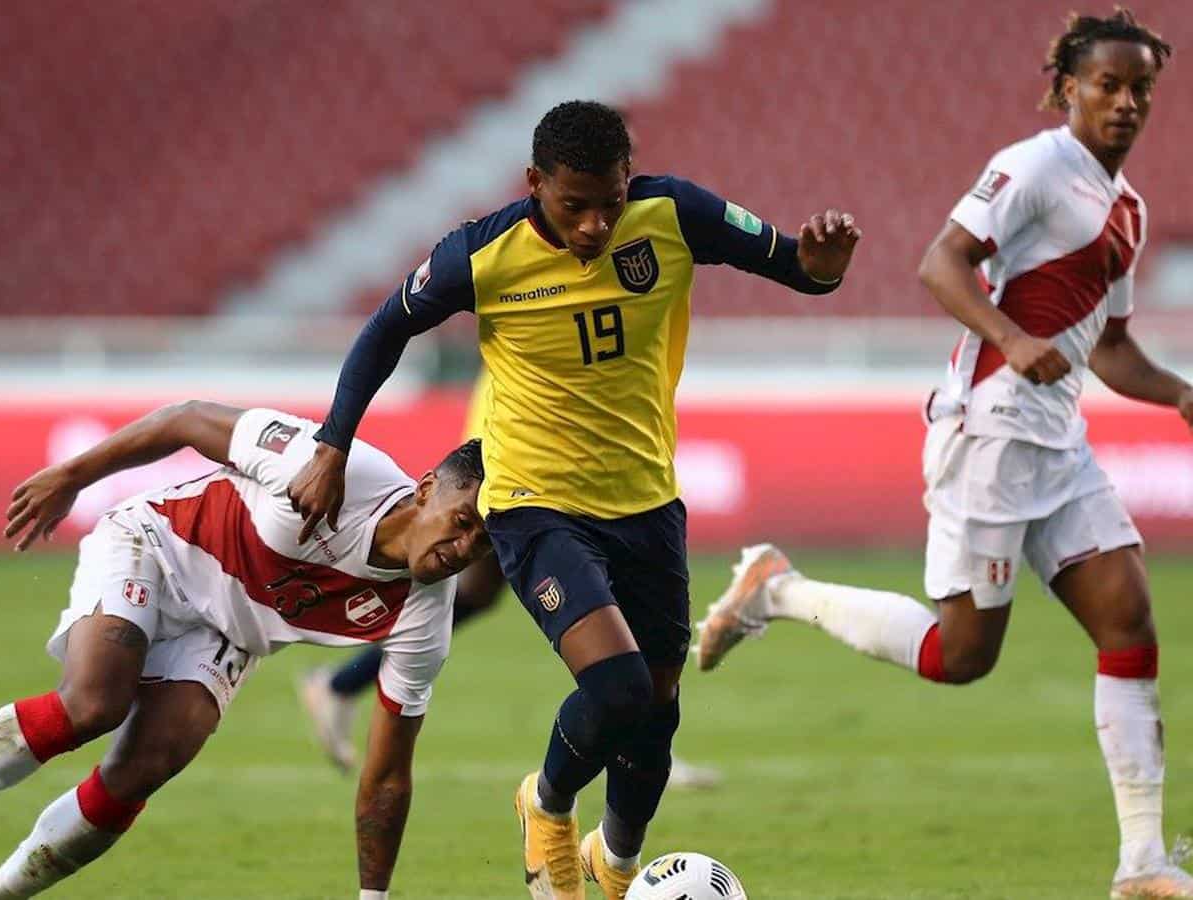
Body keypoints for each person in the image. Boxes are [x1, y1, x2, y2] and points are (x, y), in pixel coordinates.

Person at [286, 99, 860, 899]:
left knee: (655, 717)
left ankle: (615, 867)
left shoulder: (674, 214)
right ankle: (546, 803)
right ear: (535, 184)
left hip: (646, 499)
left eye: (610, 202)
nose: (595, 225)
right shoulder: (481, 256)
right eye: (574, 204)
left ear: (632, 180)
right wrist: (331, 445)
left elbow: (798, 266)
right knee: (618, 687)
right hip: (533, 501)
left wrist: (823, 263)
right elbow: (385, 328)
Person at [696, 10, 1191, 899]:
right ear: (1068, 88)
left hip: (1057, 440)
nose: (1124, 103)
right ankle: (776, 588)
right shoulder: (1035, 167)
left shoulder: (1129, 211)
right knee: (962, 656)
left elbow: (1109, 346)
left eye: (1140, 88)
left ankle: (1142, 864)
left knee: (1129, 622)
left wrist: (1182, 393)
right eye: (1107, 85)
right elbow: (940, 262)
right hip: (989, 434)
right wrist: (1011, 335)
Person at [0, 401, 491, 899]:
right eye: (462, 519)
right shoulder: (341, 470)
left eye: (484, 542)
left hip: (227, 634)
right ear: (426, 490)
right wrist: (71, 476)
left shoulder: (424, 616)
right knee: (94, 704)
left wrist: (373, 898)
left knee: (140, 771)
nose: (465, 548)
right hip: (159, 544)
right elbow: (185, 419)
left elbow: (387, 775)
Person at [297, 368, 722, 790]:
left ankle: (338, 683)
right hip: (521, 458)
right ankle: (640, 747)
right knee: (592, 600)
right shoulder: (546, 332)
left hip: (533, 449)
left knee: (477, 591)